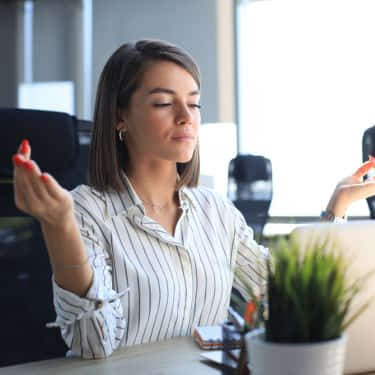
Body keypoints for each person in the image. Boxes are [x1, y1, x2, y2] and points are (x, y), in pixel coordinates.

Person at [11, 40, 375, 359]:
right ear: (120, 117)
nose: (187, 118)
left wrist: (337, 208)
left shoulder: (215, 211)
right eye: (164, 103)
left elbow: (283, 292)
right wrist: (60, 226)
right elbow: (93, 343)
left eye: (194, 104)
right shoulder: (87, 211)